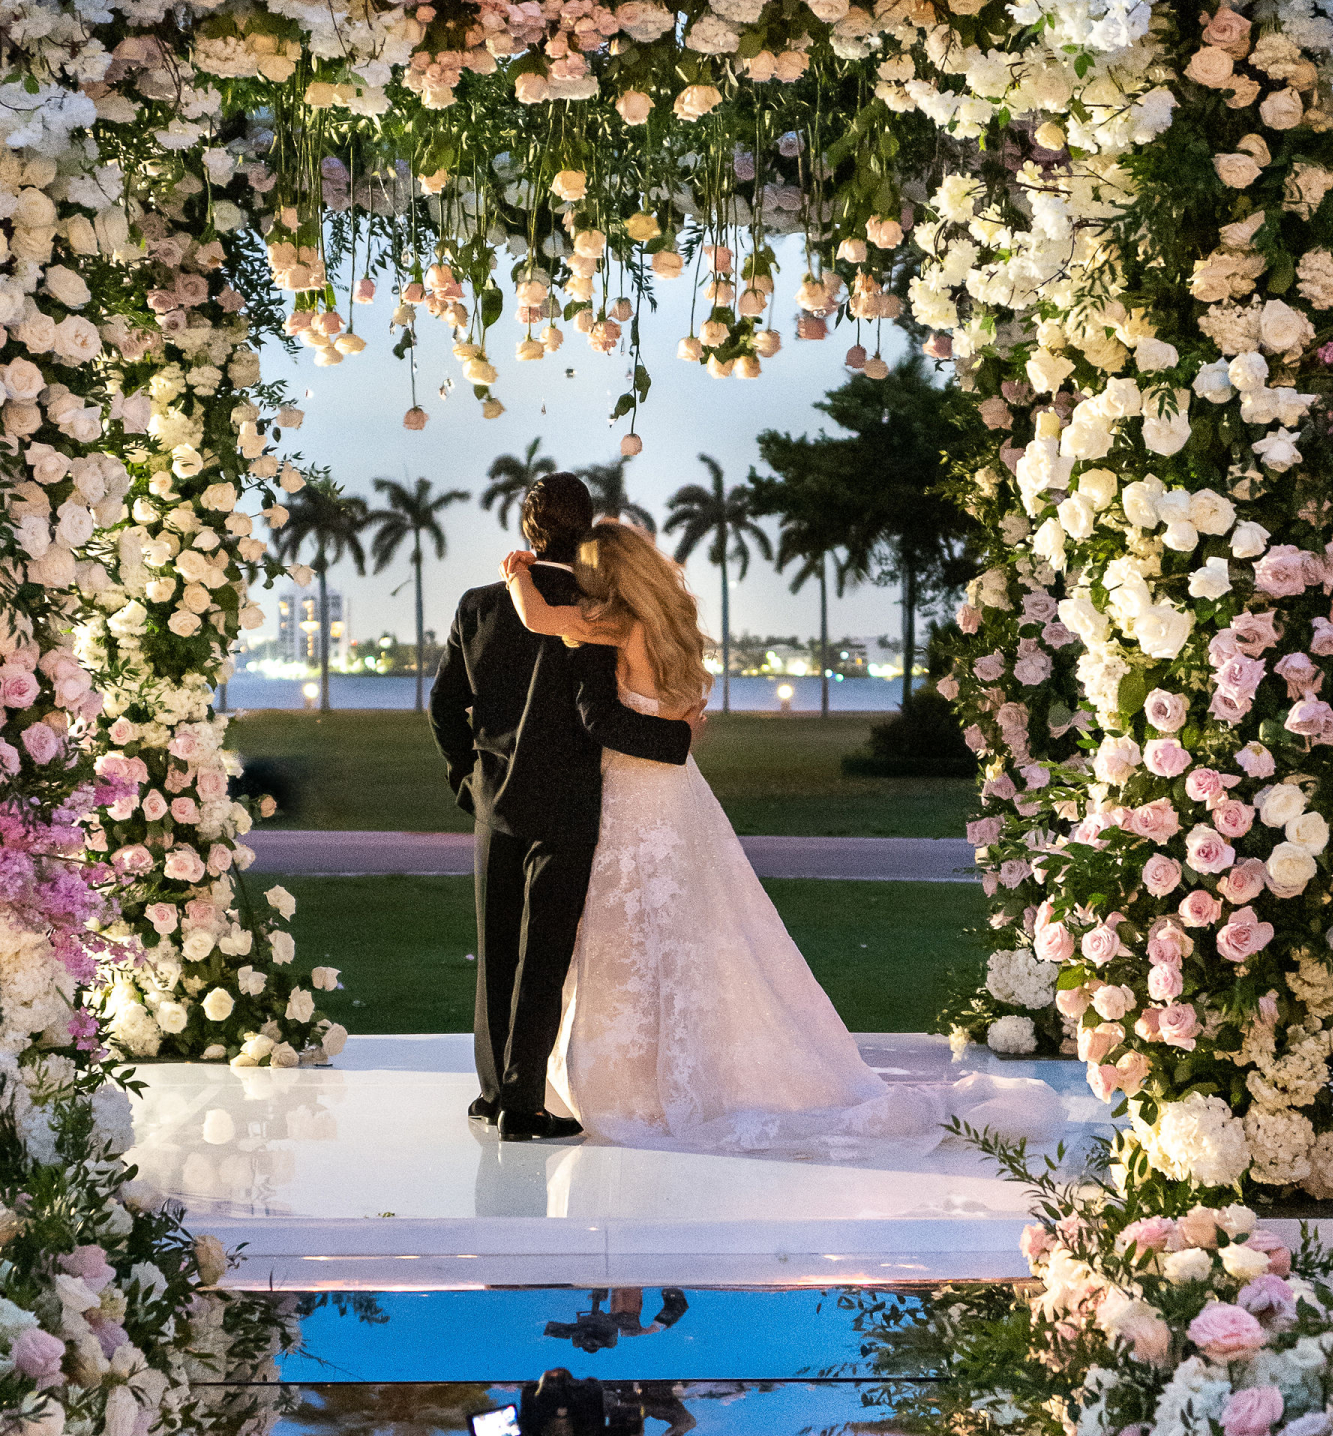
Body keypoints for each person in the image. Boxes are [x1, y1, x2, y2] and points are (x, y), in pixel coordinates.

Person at [501, 516, 1062, 1161]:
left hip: (634, 799)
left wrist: (518, 575)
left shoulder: (615, 628)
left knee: (631, 930)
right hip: (679, 799)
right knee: (696, 930)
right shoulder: (667, 628)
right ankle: (693, 1069)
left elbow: (545, 626)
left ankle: (637, 1085)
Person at [429, 472, 695, 1141]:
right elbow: (596, 717)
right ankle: (523, 1103)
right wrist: (677, 737)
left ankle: (492, 1093)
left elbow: (443, 704)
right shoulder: (595, 611)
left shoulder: (479, 604)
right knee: (541, 954)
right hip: (565, 805)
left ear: (528, 530)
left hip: (495, 805)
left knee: (495, 950)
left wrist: (467, 778)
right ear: (584, 529)